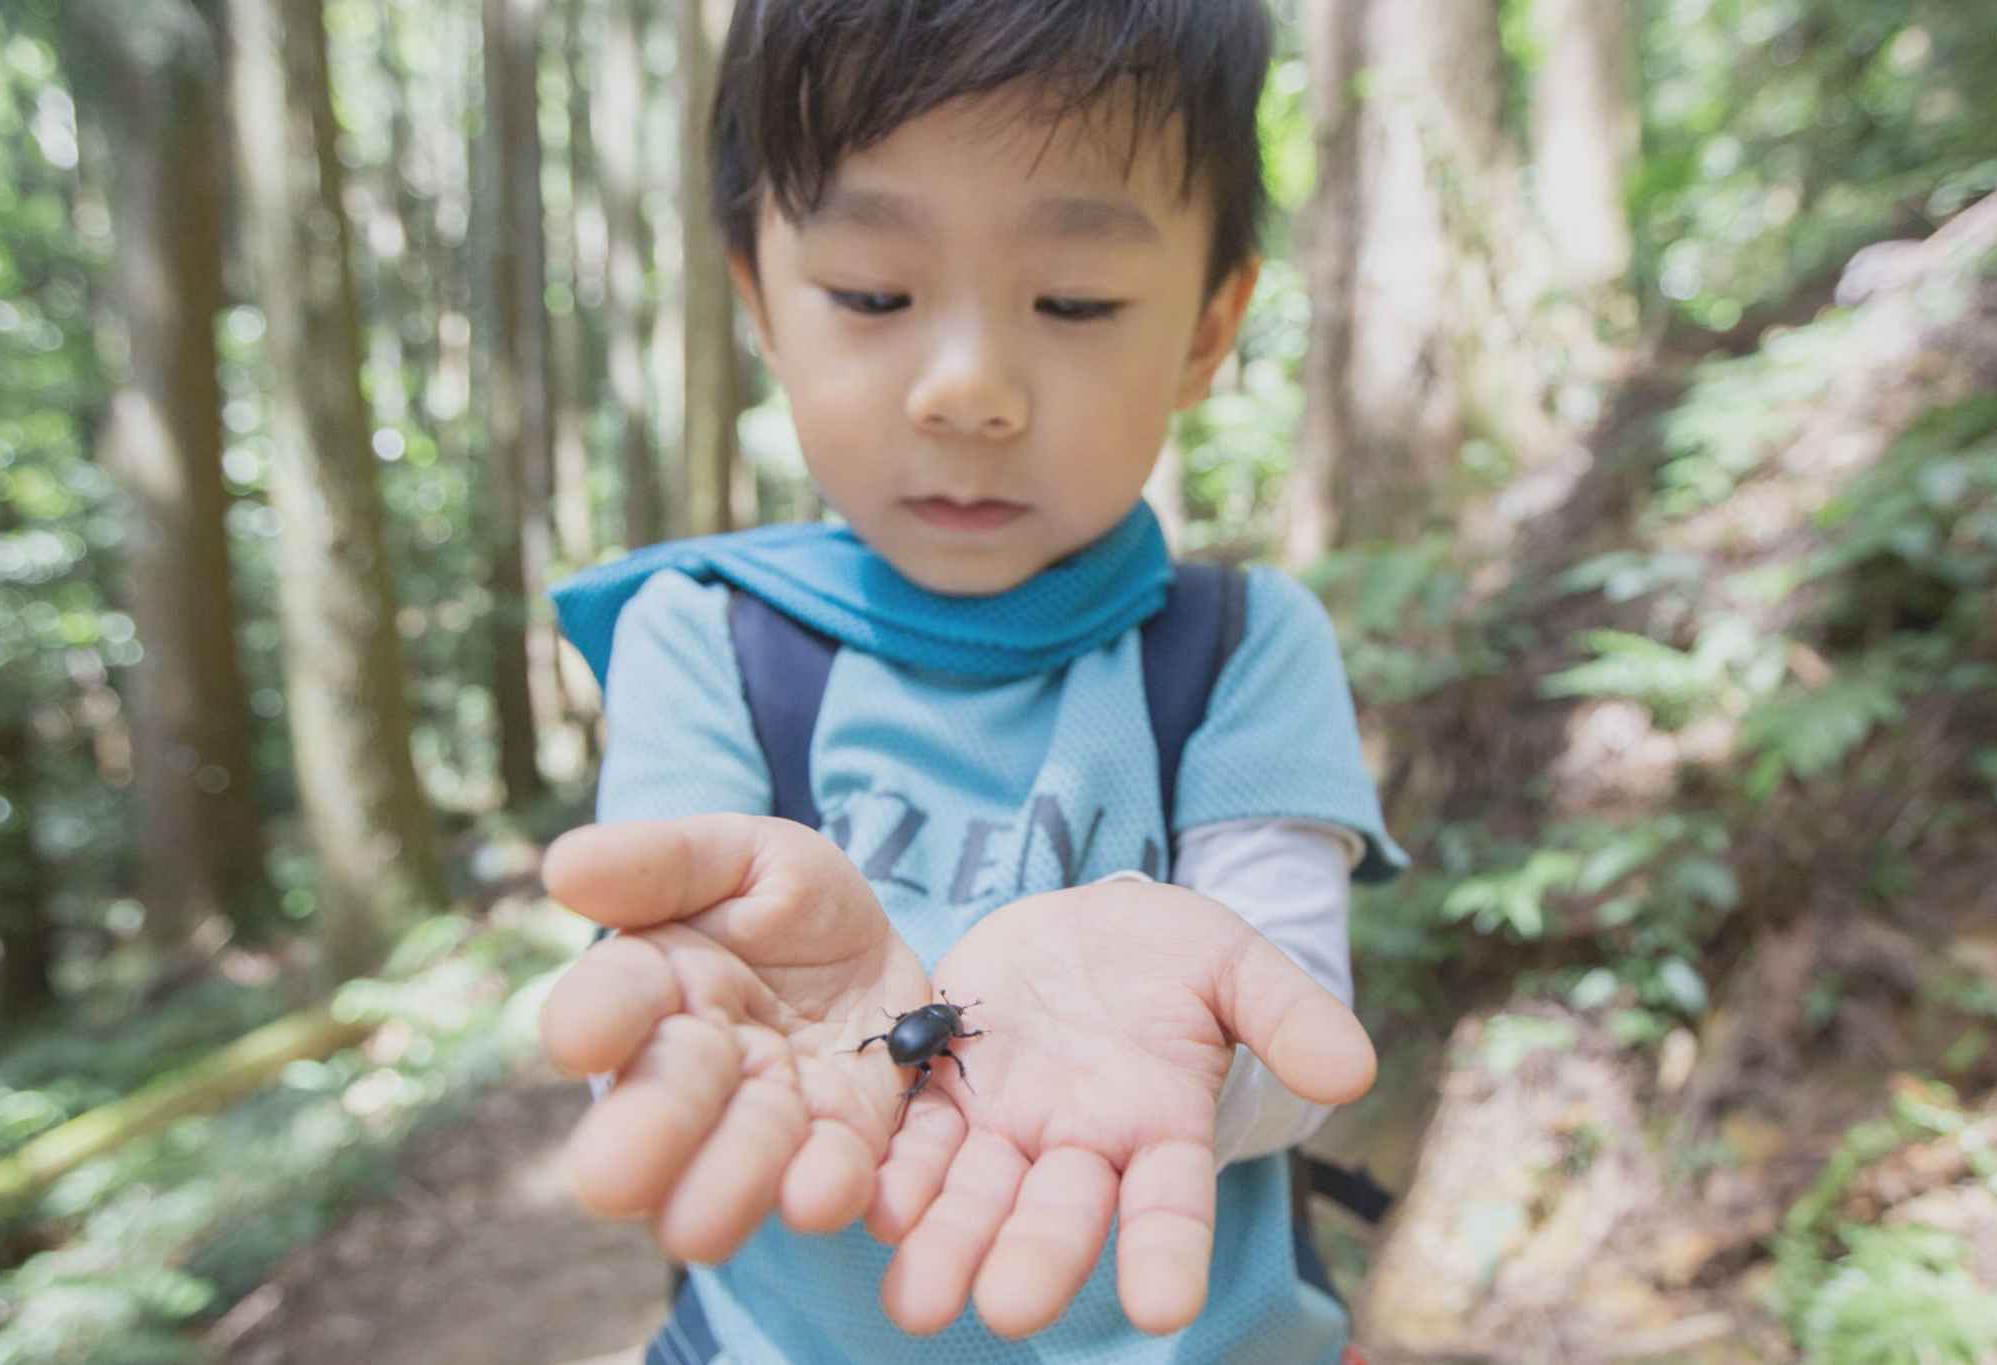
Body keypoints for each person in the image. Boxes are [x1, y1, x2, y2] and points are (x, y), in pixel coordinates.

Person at [537, 2, 1408, 1360]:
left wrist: (1190, 1033)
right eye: (873, 295)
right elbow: (651, 1009)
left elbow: (1297, 1027)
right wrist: (678, 1021)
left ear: (1208, 326)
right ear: (760, 297)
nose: (968, 388)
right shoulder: (699, 635)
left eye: (1075, 301)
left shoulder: (1243, 643)